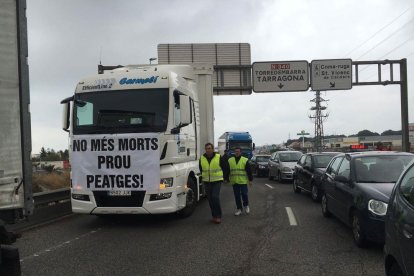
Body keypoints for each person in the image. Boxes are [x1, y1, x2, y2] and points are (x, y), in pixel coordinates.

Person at [199, 142, 229, 224]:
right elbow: (201, 169)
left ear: (212, 149)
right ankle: (214, 216)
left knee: (215, 197)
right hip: (207, 182)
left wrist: (225, 178)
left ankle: (218, 216)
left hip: (217, 181)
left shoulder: (218, 157)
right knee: (210, 199)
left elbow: (225, 167)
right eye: (206, 149)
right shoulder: (202, 158)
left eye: (209, 148)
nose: (208, 150)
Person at [228, 147, 253, 216]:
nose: (237, 152)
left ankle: (246, 205)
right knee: (237, 196)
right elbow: (227, 170)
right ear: (234, 152)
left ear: (240, 152)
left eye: (238, 151)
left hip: (243, 181)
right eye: (236, 151)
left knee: (244, 194)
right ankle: (239, 209)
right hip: (234, 181)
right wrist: (226, 178)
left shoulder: (245, 160)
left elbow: (249, 171)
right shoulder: (230, 160)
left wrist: (250, 180)